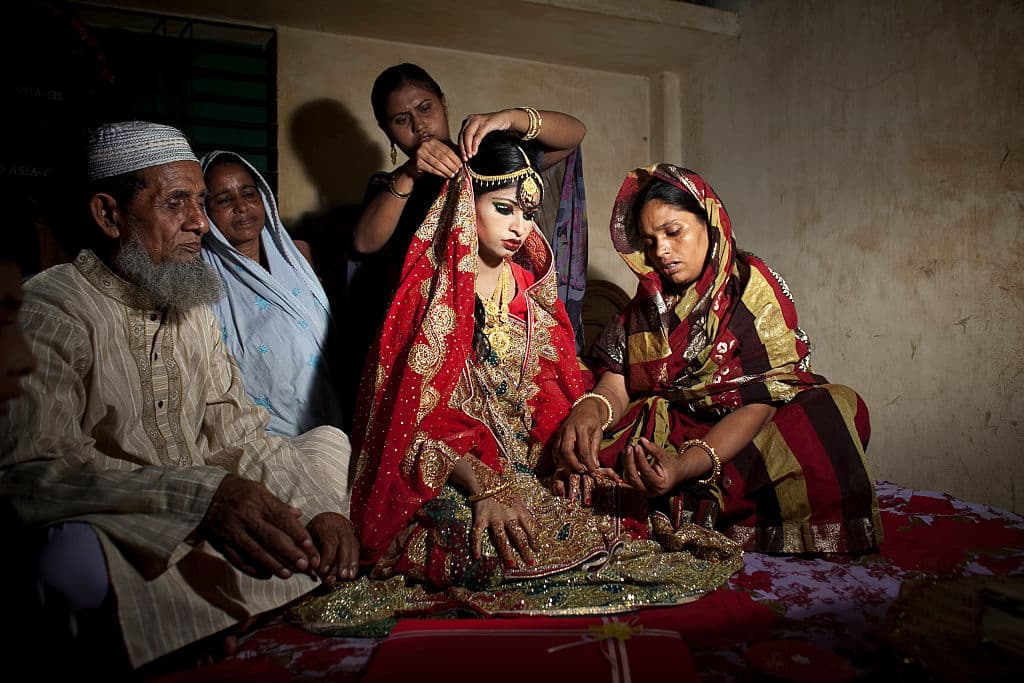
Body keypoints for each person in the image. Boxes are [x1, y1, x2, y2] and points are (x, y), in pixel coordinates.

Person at [316, 133, 740, 624]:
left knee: (612, 521)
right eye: (503, 208)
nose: (519, 227)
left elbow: (553, 400)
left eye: (528, 213)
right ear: (464, 203)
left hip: (525, 471)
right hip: (451, 476)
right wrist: (483, 488)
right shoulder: (430, 293)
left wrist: (564, 460)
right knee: (495, 549)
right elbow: (406, 426)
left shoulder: (533, 291)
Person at [0, 121, 359, 675]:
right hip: (137, 526)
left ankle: (204, 608)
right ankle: (240, 599)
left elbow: (238, 435)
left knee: (329, 446)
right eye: (176, 203)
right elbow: (30, 475)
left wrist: (322, 511)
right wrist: (201, 498)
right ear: (109, 214)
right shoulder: (50, 309)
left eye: (198, 202)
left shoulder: (191, 307)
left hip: (214, 516)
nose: (199, 222)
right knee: (67, 562)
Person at [552, 164, 883, 554]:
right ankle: (671, 497)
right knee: (569, 428)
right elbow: (618, 379)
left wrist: (685, 464)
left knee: (837, 409)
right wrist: (593, 409)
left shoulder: (751, 291)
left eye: (673, 232)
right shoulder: (646, 305)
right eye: (649, 240)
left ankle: (687, 496)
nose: (660, 251)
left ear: (710, 224)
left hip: (736, 437)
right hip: (667, 429)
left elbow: (760, 400)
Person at [342, 63, 589, 426]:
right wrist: (411, 172)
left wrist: (508, 118)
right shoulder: (393, 185)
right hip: (429, 335)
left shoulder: (485, 162)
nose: (419, 125)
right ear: (386, 131)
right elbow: (363, 243)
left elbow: (574, 134)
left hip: (501, 314)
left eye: (425, 108)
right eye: (401, 119)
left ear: (443, 103)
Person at [201, 150, 345, 437]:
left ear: (264, 198)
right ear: (205, 211)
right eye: (224, 200)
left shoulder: (298, 256)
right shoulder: (203, 282)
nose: (241, 206)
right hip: (270, 434)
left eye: (248, 194)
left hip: (336, 413)